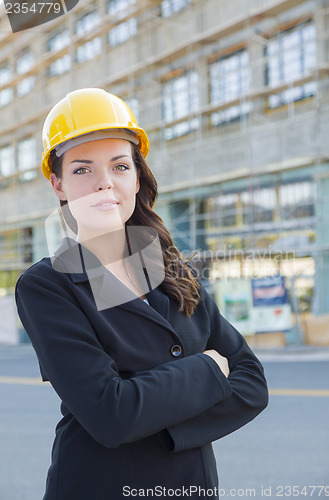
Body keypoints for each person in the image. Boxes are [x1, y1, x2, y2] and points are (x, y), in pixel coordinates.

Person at [15, 88, 268, 500]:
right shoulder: (51, 284)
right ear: (57, 183)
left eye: (119, 165)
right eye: (82, 170)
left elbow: (253, 383)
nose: (104, 184)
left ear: (136, 175)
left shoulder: (172, 272)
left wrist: (151, 414)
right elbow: (111, 414)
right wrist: (207, 370)